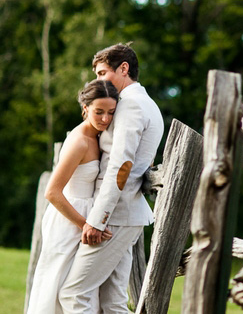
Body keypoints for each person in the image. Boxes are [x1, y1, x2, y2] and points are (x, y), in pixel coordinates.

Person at [59, 43, 164, 314]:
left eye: (102, 72)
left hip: (113, 218)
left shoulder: (131, 105)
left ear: (124, 68)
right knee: (113, 303)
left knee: (75, 293)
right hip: (124, 215)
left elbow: (122, 164)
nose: (97, 80)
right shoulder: (147, 103)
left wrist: (97, 219)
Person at [27, 79, 119, 314]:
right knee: (58, 287)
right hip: (69, 220)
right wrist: (85, 224)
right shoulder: (79, 141)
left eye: (111, 112)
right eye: (99, 112)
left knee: (84, 290)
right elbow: (52, 192)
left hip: (87, 216)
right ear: (85, 108)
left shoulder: (100, 136)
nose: (105, 119)